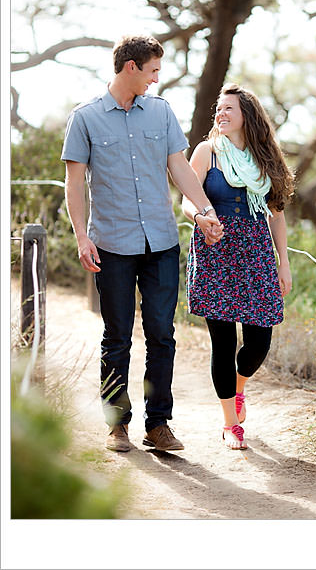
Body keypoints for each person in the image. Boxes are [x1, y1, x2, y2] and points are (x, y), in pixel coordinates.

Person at [62, 35, 223, 453]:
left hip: (161, 243)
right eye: (152, 70)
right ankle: (117, 424)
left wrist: (204, 209)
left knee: (161, 335)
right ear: (130, 67)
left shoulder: (162, 112)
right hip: (111, 245)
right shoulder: (85, 118)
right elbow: (74, 183)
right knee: (117, 337)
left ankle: (159, 424)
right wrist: (82, 236)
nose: (156, 78)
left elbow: (180, 169)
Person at [183, 83, 295, 450]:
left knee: (259, 340)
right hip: (215, 250)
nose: (222, 113)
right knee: (223, 341)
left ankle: (239, 386)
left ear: (248, 115)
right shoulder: (207, 152)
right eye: (219, 107)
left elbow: (276, 215)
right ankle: (230, 424)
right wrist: (200, 216)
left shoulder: (267, 161)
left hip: (257, 255)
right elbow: (187, 199)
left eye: (230, 108)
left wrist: (284, 263)